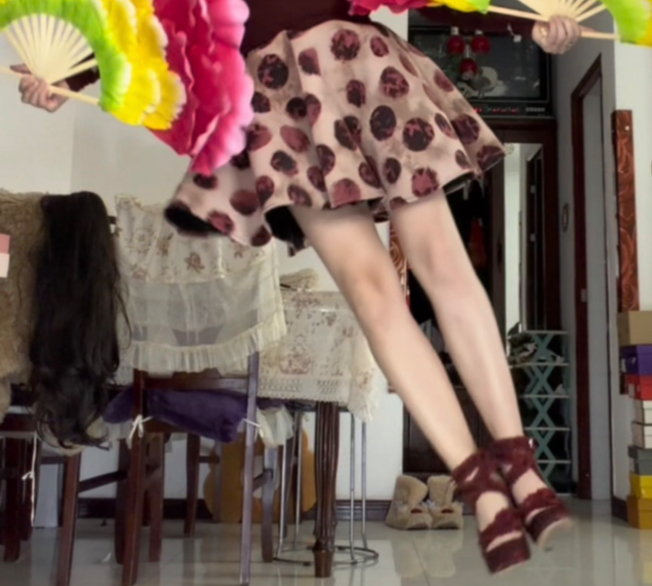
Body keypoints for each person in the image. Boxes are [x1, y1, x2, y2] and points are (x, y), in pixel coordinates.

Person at [17, 0, 582, 574]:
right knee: (371, 294)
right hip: (278, 96)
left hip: (357, 62)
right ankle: (481, 489)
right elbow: (146, 19)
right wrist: (67, 78)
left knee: (443, 264)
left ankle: (522, 468)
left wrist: (527, 23)